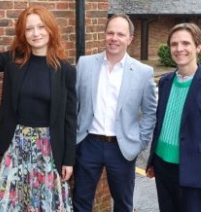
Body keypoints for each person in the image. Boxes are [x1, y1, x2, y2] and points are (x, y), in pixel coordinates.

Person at [0, 0, 77, 211]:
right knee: (11, 204)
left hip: (49, 149)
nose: (36, 33)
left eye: (41, 27)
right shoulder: (14, 61)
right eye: (29, 28)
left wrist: (69, 159)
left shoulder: (65, 71)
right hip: (17, 144)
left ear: (50, 30)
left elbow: (70, 120)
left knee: (44, 204)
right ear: (23, 34)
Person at [73, 13, 157, 212]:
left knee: (123, 203)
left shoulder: (143, 72)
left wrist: (139, 142)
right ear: (104, 35)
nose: (114, 38)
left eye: (120, 34)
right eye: (110, 32)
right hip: (88, 143)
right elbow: (73, 104)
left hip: (122, 148)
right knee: (81, 201)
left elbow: (150, 112)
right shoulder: (85, 65)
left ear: (130, 39)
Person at [146, 23, 201, 212]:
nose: (179, 49)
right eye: (174, 44)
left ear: (198, 47)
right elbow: (160, 123)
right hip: (163, 165)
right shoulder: (166, 81)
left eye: (186, 43)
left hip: (193, 169)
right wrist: (152, 160)